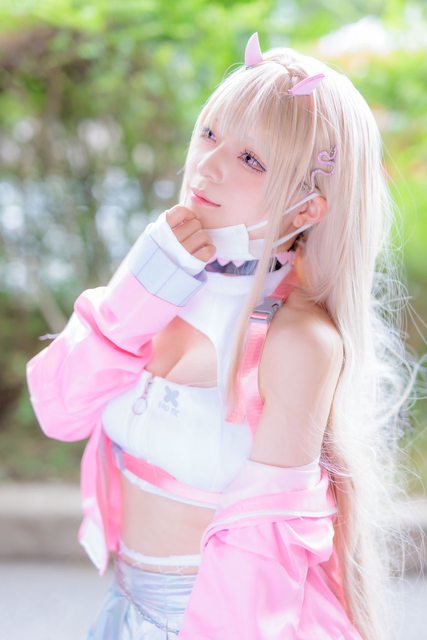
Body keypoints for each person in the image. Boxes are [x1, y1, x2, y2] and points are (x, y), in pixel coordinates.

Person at [26, 32, 416, 639]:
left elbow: (258, 574)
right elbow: (59, 412)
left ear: (308, 208)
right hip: (124, 611)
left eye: (251, 159)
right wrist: (136, 291)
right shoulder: (163, 278)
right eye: (209, 133)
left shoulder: (299, 341)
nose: (208, 164)